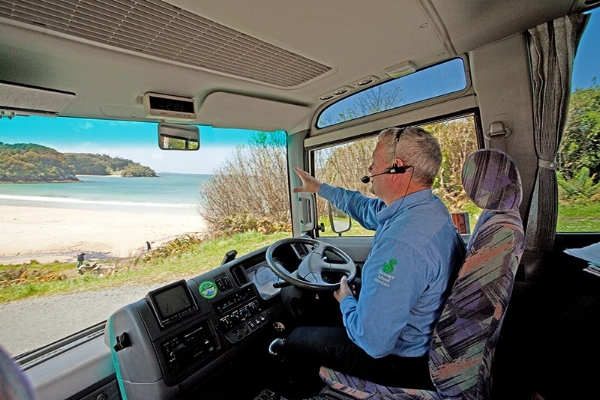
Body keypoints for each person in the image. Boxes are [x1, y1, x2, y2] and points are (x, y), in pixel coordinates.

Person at [283, 126, 467, 394]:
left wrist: (345, 299)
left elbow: (374, 342)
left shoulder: (401, 244)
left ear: (395, 167)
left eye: (374, 159)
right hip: (420, 339)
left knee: (297, 340)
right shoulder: (427, 208)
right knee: (318, 312)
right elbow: (366, 208)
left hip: (400, 361)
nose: (369, 167)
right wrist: (320, 189)